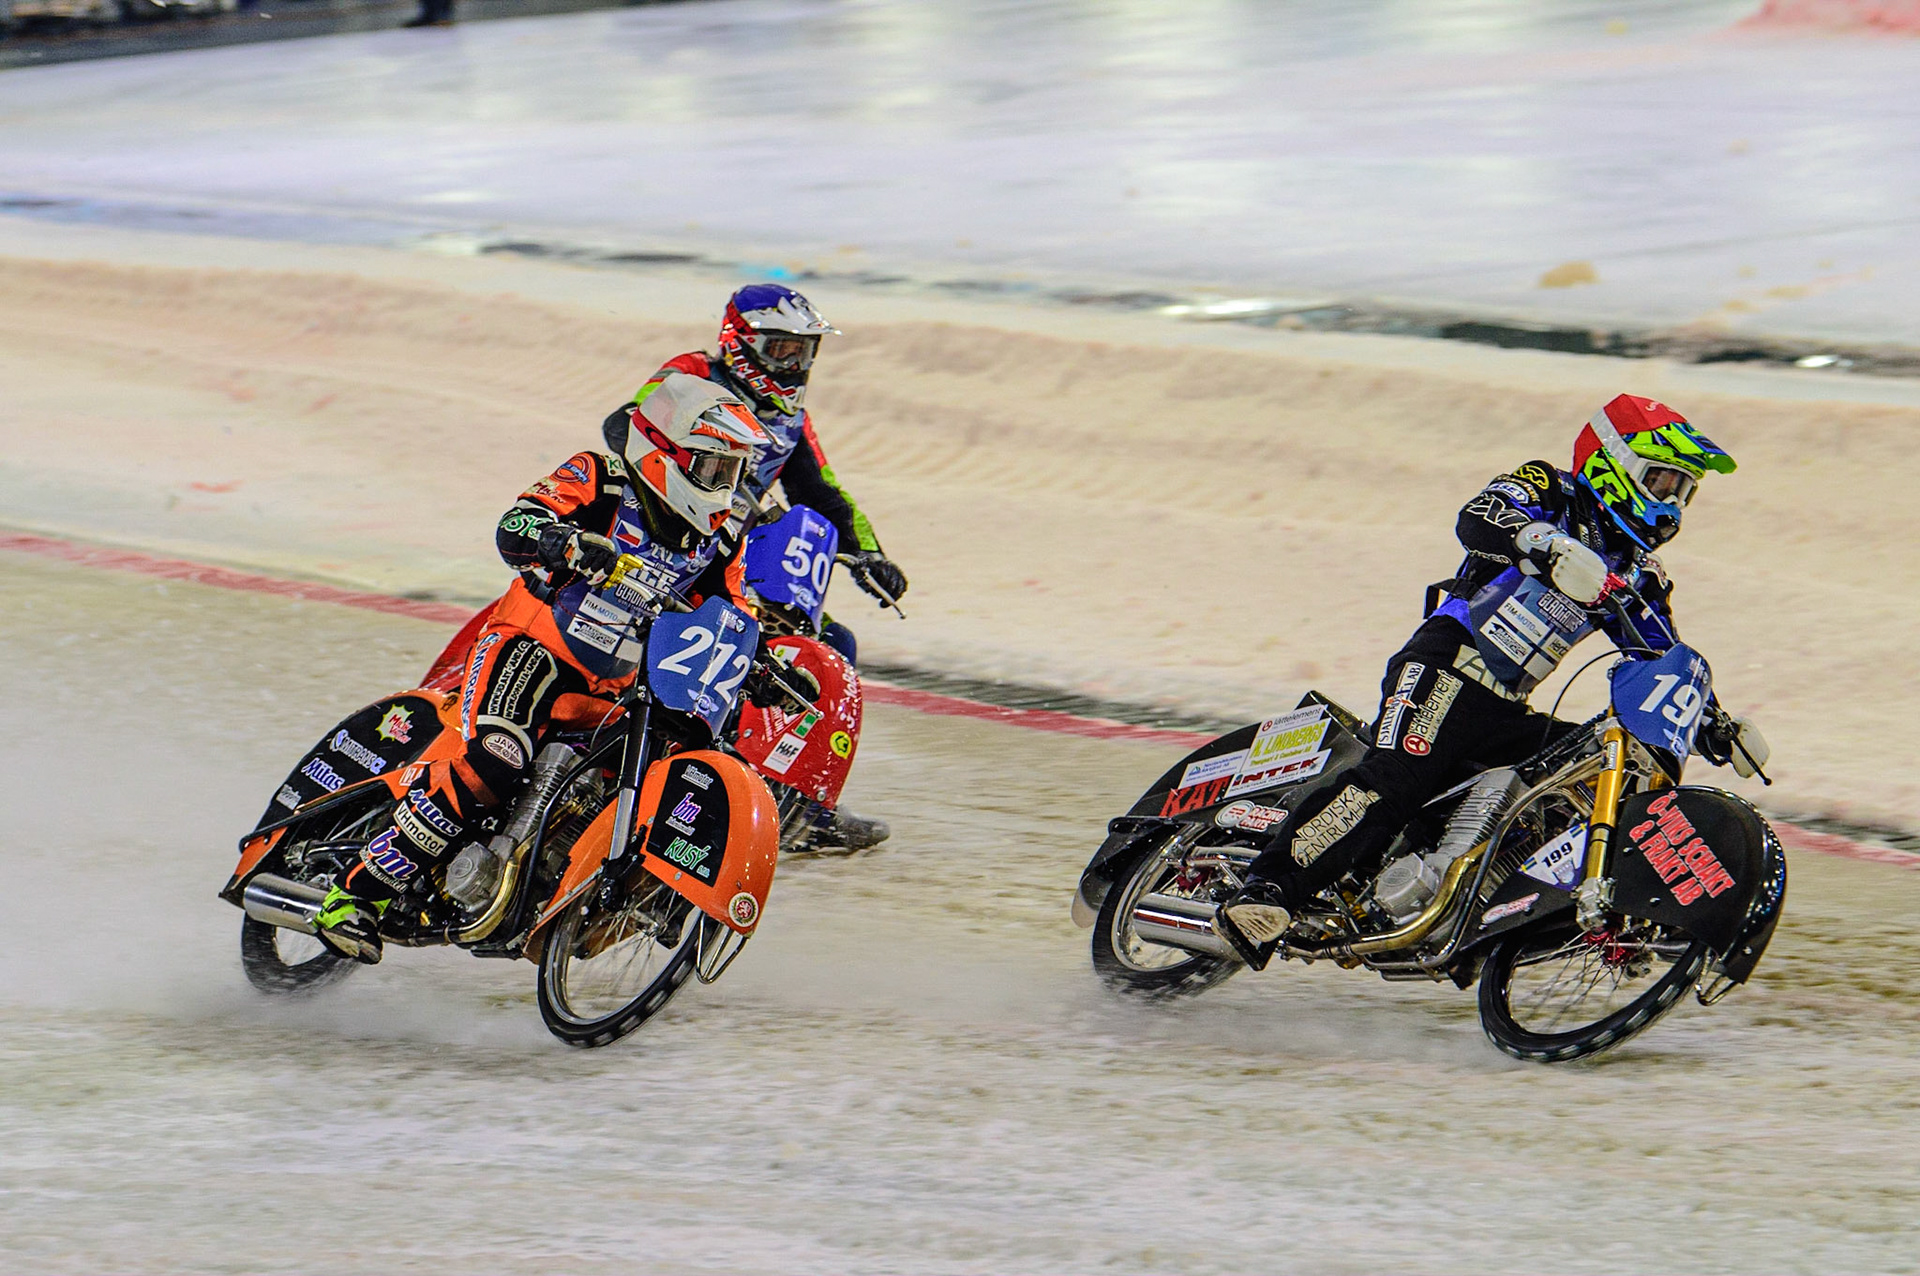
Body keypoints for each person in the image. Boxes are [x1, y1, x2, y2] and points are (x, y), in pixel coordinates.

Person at [1215, 394, 1770, 960]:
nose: (1672, 504)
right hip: (1445, 665)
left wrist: (1714, 722)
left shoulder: (1638, 572)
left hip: (1505, 707)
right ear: (1614, 462)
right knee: (1396, 777)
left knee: (1586, 776)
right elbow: (1477, 519)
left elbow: (1659, 651)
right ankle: (1268, 889)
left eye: (1683, 491)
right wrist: (1543, 544)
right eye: (1662, 482)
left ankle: (1549, 915)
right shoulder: (1548, 488)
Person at [312, 372, 768, 963]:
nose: (723, 489)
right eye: (712, 469)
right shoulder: (600, 479)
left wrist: (765, 665)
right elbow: (516, 524)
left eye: (731, 473)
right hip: (532, 651)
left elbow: (733, 610)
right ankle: (356, 896)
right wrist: (564, 543)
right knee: (493, 765)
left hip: (620, 686)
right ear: (663, 453)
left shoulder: (722, 541)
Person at [614, 283, 908, 850]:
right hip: (666, 542)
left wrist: (869, 552)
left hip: (738, 558)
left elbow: (821, 490)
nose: (794, 365)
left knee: (829, 647)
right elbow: (624, 425)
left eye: (804, 352)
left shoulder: (791, 419)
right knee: (720, 644)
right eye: (782, 350)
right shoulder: (691, 374)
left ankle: (797, 803)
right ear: (740, 341)